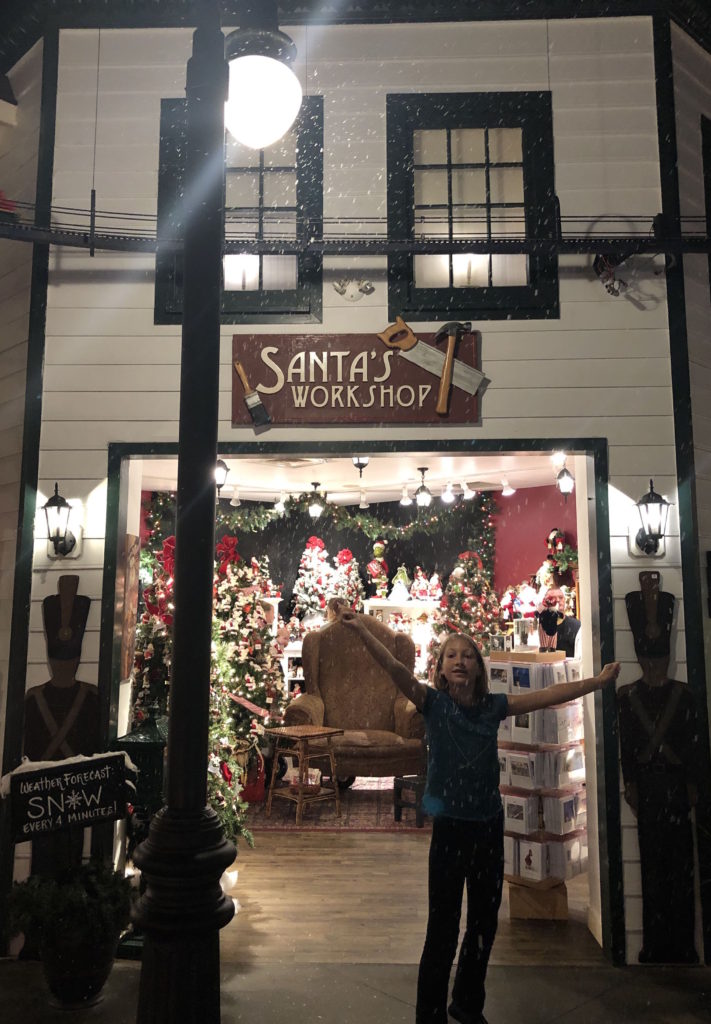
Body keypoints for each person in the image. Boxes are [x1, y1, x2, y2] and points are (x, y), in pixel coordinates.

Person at [338, 608, 620, 1024]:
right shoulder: (431, 704)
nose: (459, 660)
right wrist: (362, 628)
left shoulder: (493, 707)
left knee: (484, 926)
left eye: (466, 655)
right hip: (450, 831)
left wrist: (595, 683)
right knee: (442, 929)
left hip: (488, 828)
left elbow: (545, 698)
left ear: (477, 667)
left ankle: (467, 1005)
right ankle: (429, 1014)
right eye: (450, 655)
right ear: (440, 668)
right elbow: (396, 669)